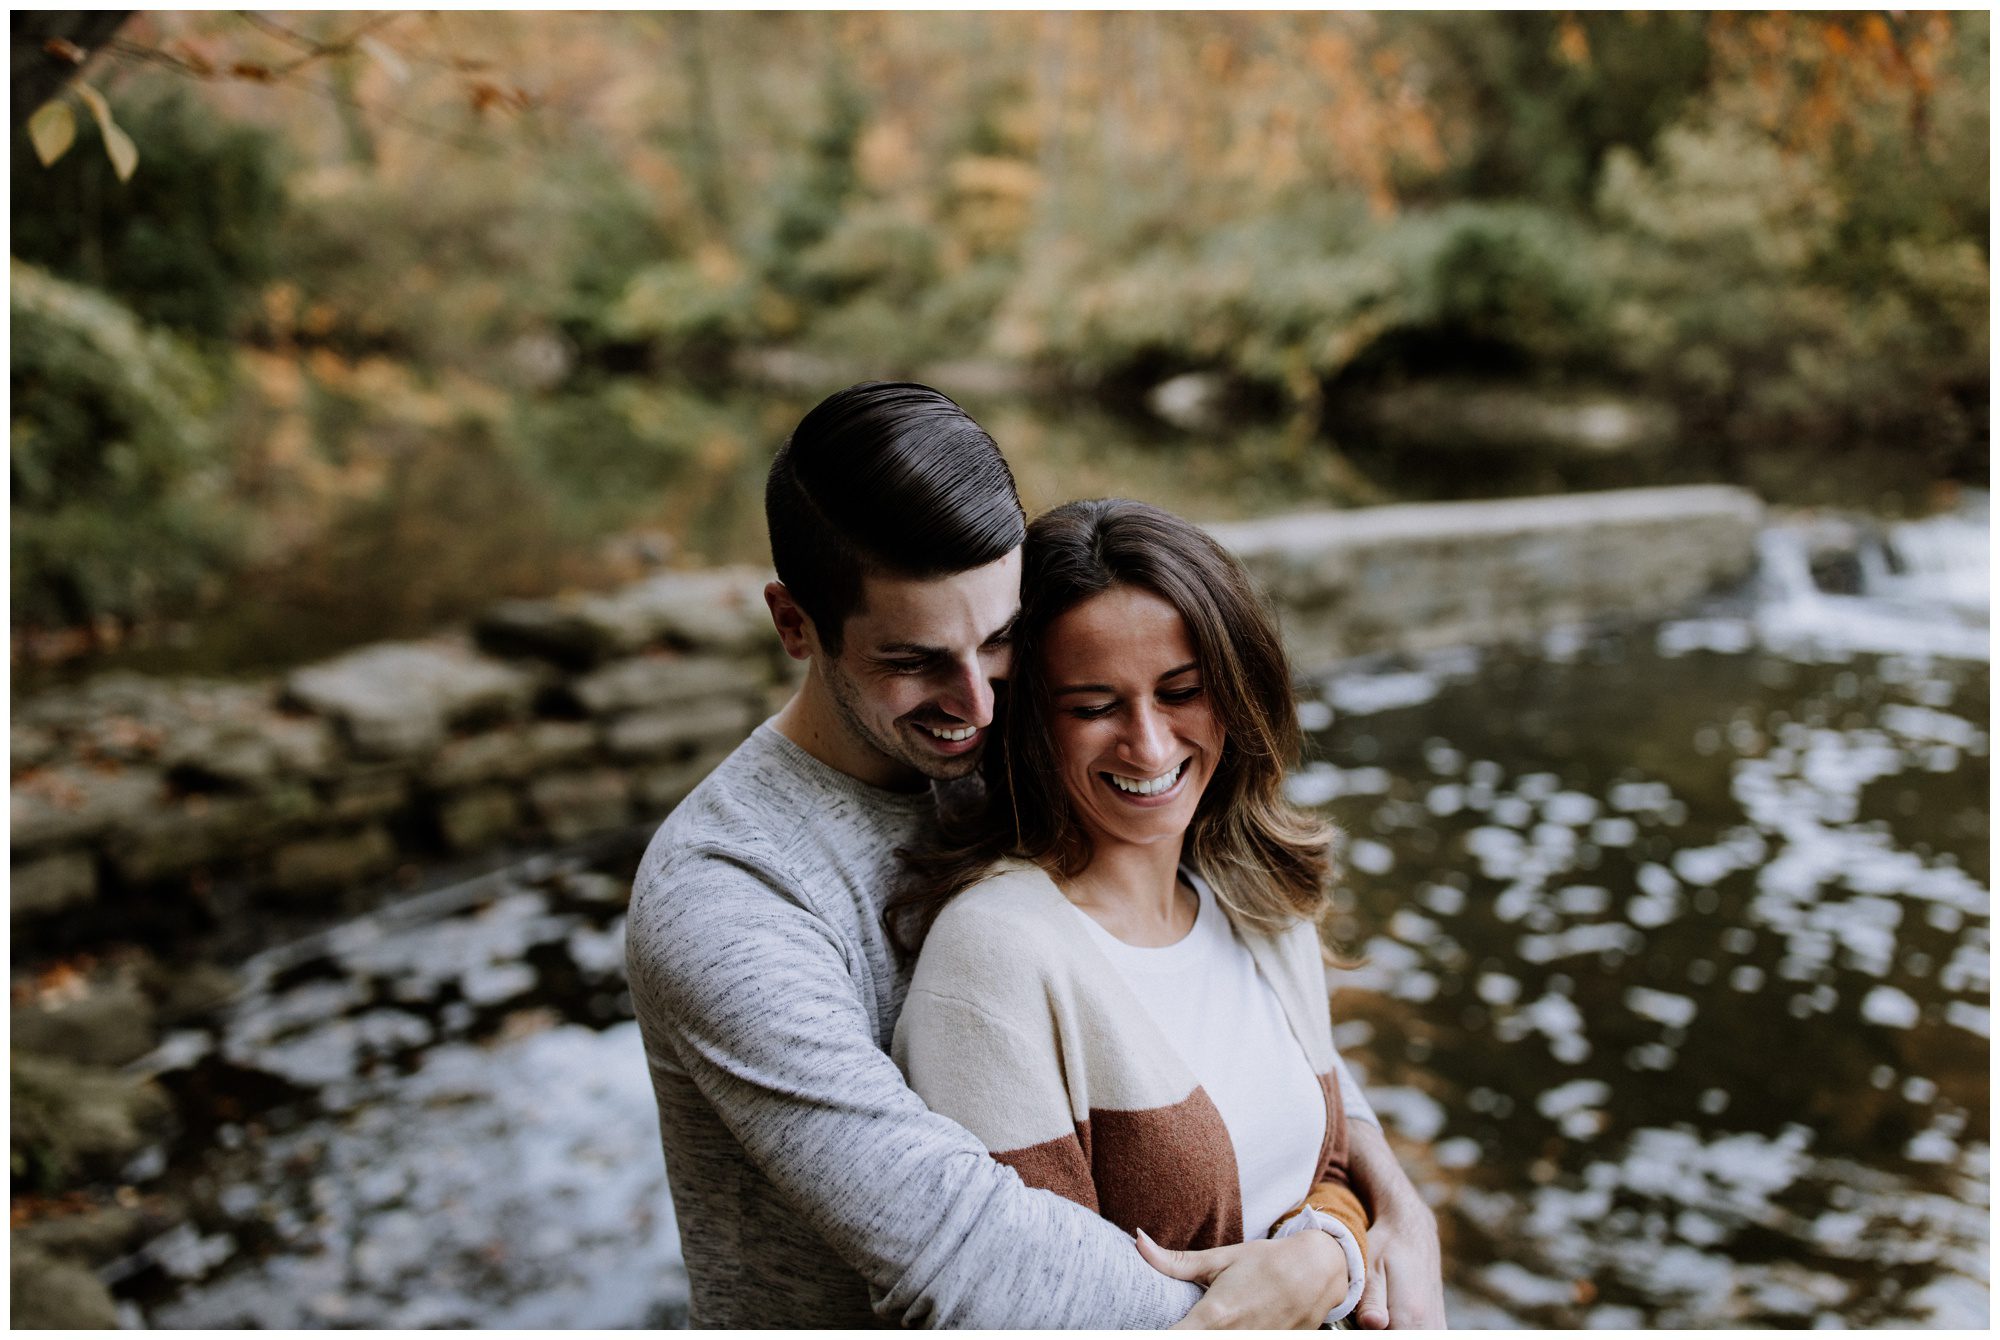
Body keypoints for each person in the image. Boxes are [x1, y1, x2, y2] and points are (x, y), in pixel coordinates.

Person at [625, 382, 1444, 1327]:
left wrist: (1381, 1213)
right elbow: (967, 1251)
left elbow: (1256, 1034)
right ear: (793, 624)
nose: (976, 702)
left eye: (1000, 638)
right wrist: (1304, 1290)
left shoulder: (1027, 750)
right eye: (913, 661)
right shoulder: (727, 895)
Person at [889, 497, 1399, 1328]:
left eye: (1181, 692)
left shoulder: (1262, 902)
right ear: (1030, 725)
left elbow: (1329, 1166)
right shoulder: (994, 960)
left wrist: (1330, 1253)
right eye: (1093, 707)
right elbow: (1029, 1302)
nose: (1150, 746)